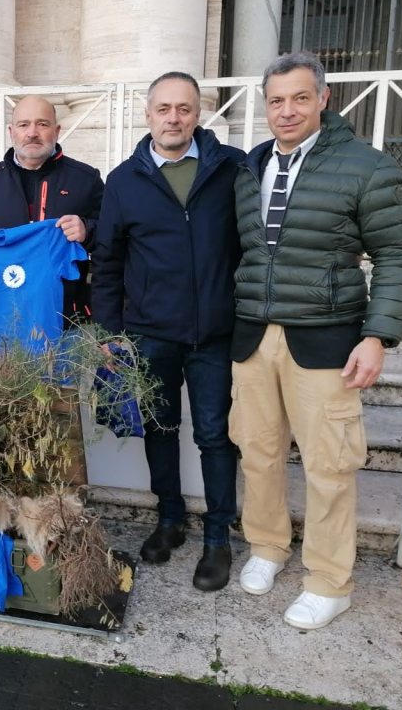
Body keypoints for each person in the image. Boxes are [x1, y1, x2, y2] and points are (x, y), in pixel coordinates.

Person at [229, 51, 402, 628]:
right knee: (258, 452)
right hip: (254, 336)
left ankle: (330, 581)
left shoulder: (365, 166)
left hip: (326, 338)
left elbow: (395, 254)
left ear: (323, 99)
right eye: (276, 100)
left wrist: (378, 335)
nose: (287, 111)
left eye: (300, 98)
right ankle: (267, 546)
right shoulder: (250, 167)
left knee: (329, 465)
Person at [91, 71, 244, 592]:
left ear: (198, 113)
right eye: (164, 109)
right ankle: (170, 519)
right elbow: (108, 261)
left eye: (183, 108)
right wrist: (109, 331)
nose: (173, 118)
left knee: (214, 434)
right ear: (148, 115)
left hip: (215, 333)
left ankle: (218, 537)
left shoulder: (231, 168)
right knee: (160, 428)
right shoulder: (123, 181)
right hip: (151, 332)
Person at [0, 95, 102, 322]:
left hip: (66, 317)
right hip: (1, 316)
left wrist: (87, 230)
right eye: (23, 124)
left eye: (42, 124)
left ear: (56, 131)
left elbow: (112, 238)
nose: (32, 133)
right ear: (11, 132)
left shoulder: (85, 179)